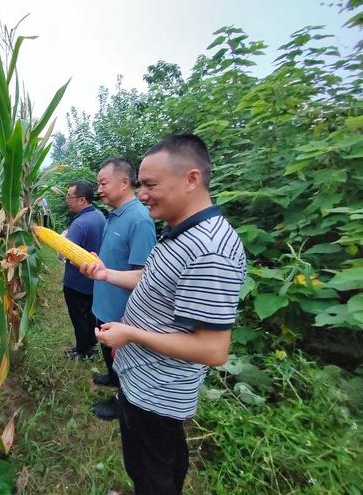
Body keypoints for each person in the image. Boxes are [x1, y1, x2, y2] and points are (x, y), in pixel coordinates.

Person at [82, 134, 247, 494]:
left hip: (158, 393)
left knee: (154, 472)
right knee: (153, 464)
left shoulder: (210, 251)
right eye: (140, 184)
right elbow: (152, 277)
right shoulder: (180, 232)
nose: (142, 194)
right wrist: (106, 273)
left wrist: (130, 334)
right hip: (143, 382)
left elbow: (212, 350)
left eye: (150, 184)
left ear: (191, 179)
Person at [91, 158, 156, 420]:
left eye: (103, 183)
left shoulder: (140, 220)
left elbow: (143, 276)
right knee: (108, 351)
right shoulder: (114, 215)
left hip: (122, 310)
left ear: (125, 182)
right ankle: (112, 376)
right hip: (104, 302)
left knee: (125, 358)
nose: (99, 190)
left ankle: (122, 401)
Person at [62, 181, 106, 359]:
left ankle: (83, 350)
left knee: (78, 316)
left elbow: (66, 253)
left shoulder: (79, 224)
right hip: (94, 279)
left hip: (77, 281)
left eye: (69, 197)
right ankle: (92, 343)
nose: (67, 200)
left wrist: (62, 240)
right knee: (89, 313)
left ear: (81, 200)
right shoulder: (99, 216)